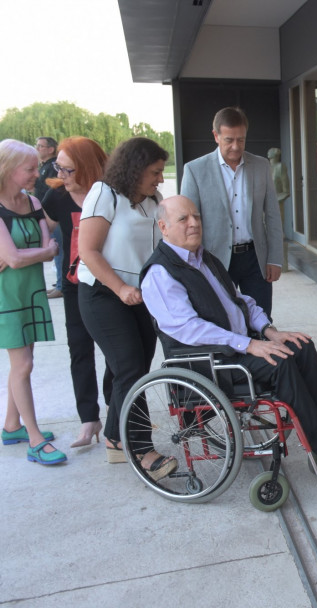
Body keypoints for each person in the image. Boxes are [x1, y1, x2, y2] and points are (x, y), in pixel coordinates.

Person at [141, 195, 317, 474]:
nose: (194, 223)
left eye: (196, 216)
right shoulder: (160, 273)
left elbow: (241, 301)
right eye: (184, 219)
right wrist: (249, 344)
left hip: (237, 349)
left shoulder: (205, 259)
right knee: (280, 364)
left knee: (300, 346)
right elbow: (189, 329)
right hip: (210, 362)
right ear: (164, 227)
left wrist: (269, 331)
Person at [78, 137, 173, 477]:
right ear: (134, 169)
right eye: (155, 172)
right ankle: (139, 448)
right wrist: (120, 288)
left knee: (131, 367)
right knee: (131, 368)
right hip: (103, 294)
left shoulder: (153, 200)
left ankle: (116, 437)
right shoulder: (104, 194)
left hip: (139, 297)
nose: (160, 179)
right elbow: (87, 250)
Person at [181, 107, 284, 317]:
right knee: (222, 320)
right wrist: (192, 265)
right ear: (215, 136)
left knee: (262, 319)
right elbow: (187, 222)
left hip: (255, 257)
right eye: (229, 140)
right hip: (214, 259)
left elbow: (272, 214)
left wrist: (274, 258)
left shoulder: (261, 166)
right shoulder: (195, 170)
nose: (236, 146)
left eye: (241, 139)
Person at [42, 137, 112, 447]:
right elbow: (39, 229)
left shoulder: (111, 194)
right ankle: (89, 418)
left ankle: (119, 411)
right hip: (75, 286)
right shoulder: (56, 197)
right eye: (58, 167)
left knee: (117, 353)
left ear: (85, 167)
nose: (61, 174)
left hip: (111, 284)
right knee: (79, 349)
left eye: (67, 169)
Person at [0, 139, 64, 464]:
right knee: (22, 364)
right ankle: (35, 439)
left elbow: (46, 246)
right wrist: (29, 254)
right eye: (30, 169)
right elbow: (13, 259)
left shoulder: (34, 202)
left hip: (31, 291)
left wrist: (26, 255)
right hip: (6, 296)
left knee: (24, 363)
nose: (36, 174)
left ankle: (12, 426)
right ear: (9, 170)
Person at [34, 136, 63, 299]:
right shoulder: (45, 166)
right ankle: (59, 283)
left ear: (51, 149)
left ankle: (61, 286)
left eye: (40, 146)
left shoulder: (52, 167)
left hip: (53, 215)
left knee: (58, 250)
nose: (37, 149)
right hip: (47, 214)